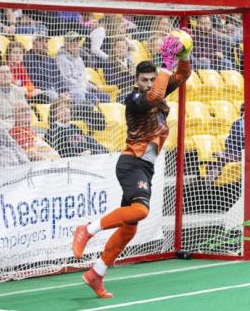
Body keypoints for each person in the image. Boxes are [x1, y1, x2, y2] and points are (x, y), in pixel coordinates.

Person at [71, 32, 192, 298]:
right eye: (144, 80)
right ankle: (88, 229)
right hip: (131, 162)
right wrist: (164, 65)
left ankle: (96, 273)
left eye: (151, 79)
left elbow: (183, 76)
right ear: (136, 81)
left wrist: (183, 55)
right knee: (140, 211)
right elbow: (155, 94)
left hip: (145, 167)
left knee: (130, 228)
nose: (149, 83)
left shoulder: (156, 92)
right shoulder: (134, 100)